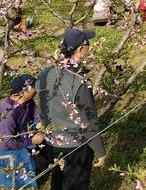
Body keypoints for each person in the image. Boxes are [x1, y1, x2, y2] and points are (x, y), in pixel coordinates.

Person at [37, 29, 106, 190]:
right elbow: (88, 120)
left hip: (53, 142)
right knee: (76, 185)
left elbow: (41, 104)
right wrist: (100, 151)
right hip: (76, 144)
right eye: (87, 45)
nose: (89, 48)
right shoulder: (78, 80)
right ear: (81, 50)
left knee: (58, 183)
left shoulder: (46, 73)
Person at [0, 74, 45, 188]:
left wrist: (40, 127)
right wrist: (32, 142)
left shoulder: (28, 101)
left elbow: (36, 116)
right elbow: (6, 143)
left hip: (22, 139)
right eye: (33, 87)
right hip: (7, 149)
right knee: (16, 182)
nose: (36, 89)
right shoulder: (8, 113)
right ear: (22, 93)